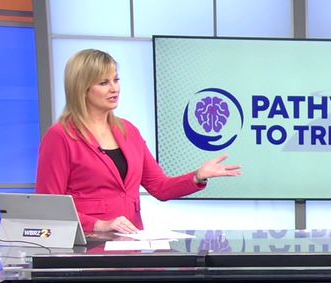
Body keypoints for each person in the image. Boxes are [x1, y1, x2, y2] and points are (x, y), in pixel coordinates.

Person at [36, 49, 240, 234]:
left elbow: (160, 187)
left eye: (116, 80)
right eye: (104, 83)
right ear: (81, 88)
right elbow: (49, 207)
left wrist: (197, 176)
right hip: (86, 246)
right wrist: (99, 224)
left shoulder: (128, 131)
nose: (114, 88)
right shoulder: (61, 136)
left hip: (130, 243)